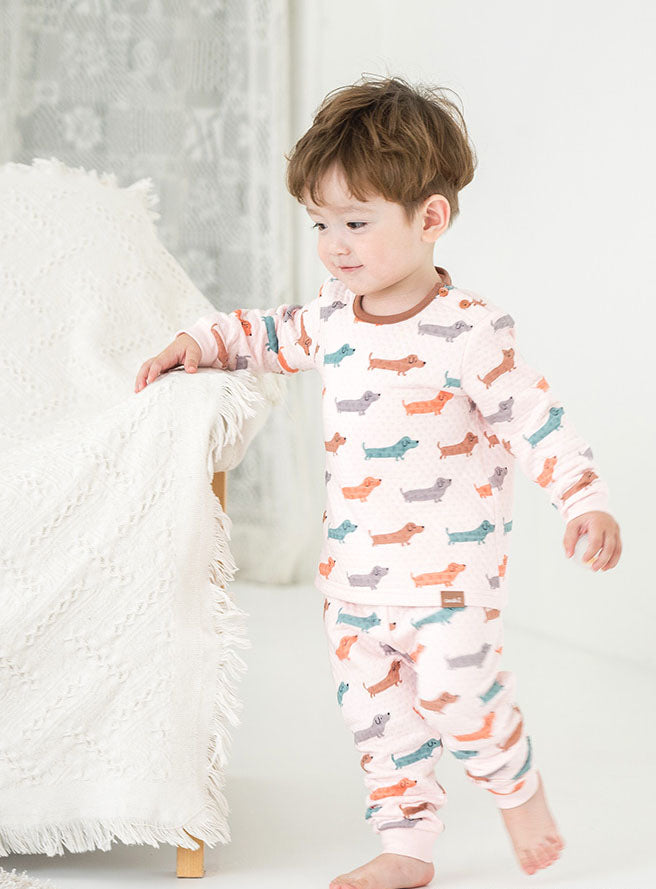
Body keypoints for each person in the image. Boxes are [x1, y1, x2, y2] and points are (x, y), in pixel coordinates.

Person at [134, 75, 622, 889]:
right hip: (354, 582)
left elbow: (535, 419)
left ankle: (517, 788)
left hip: (448, 582)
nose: (335, 245)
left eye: (356, 222)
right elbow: (269, 334)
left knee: (461, 696)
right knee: (382, 728)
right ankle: (408, 849)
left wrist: (585, 498)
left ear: (429, 218)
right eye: (321, 223)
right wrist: (201, 342)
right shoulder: (334, 315)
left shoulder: (468, 332)